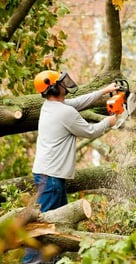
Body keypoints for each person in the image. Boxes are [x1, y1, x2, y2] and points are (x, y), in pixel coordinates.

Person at [22, 70, 118, 264]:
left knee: (57, 226)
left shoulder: (51, 106)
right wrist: (110, 121)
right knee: (43, 227)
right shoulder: (63, 112)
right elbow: (90, 131)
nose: (66, 84)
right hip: (50, 177)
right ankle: (31, 262)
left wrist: (104, 91)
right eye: (62, 82)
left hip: (49, 174)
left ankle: (53, 260)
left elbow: (79, 102)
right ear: (54, 87)